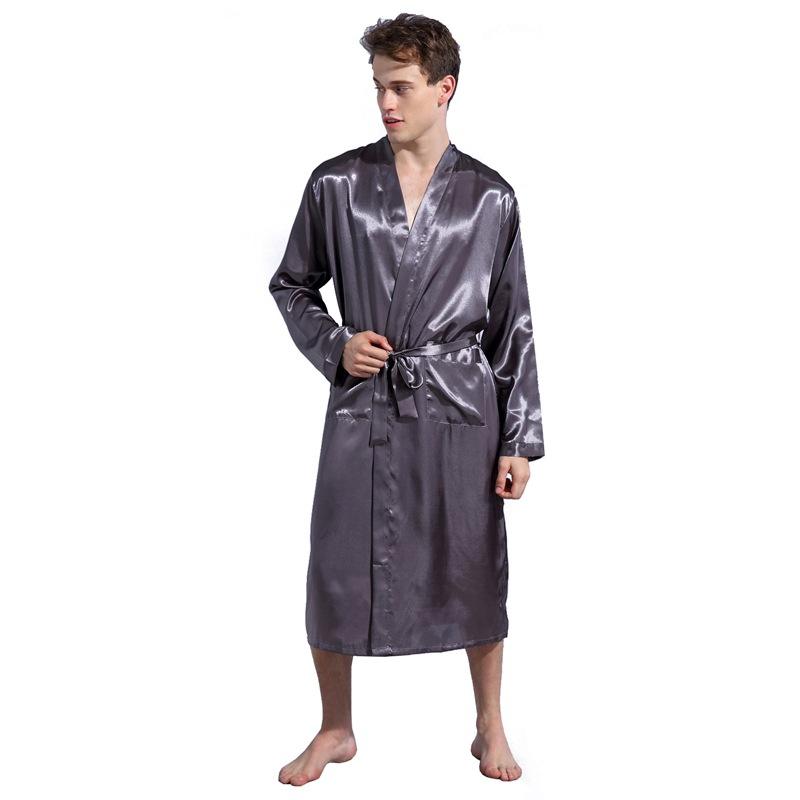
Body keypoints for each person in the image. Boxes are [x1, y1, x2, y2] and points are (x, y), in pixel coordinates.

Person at [269, 13, 545, 786]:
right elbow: (292, 285)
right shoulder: (337, 185)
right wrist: (335, 346)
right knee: (337, 562)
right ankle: (335, 728)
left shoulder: (490, 197)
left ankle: (489, 724)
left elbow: (513, 322)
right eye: (378, 88)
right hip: (367, 403)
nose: (386, 103)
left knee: (474, 562)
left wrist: (519, 439)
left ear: (443, 88)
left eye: (401, 87)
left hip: (460, 409)